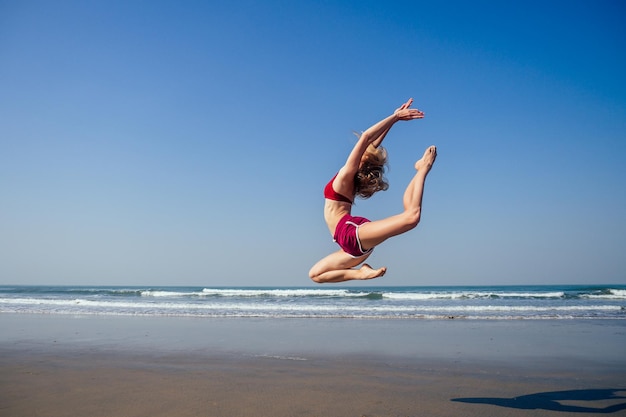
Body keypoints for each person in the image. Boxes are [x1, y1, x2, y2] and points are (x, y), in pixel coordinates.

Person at [309, 98, 437, 283]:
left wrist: (394, 117)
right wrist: (394, 120)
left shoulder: (346, 175)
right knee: (315, 275)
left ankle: (423, 168)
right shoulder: (350, 178)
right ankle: (360, 273)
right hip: (350, 245)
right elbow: (370, 143)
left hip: (350, 234)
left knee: (412, 217)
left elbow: (366, 138)